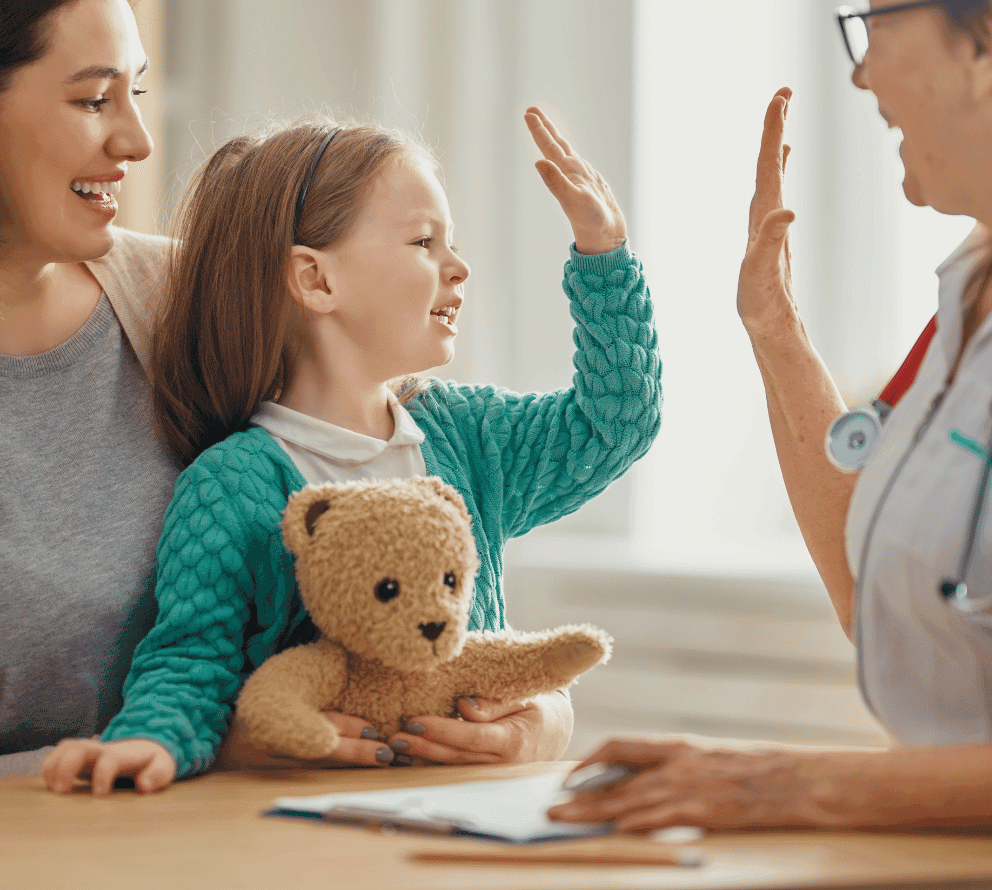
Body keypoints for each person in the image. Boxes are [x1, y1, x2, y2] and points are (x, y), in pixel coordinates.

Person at [552, 0, 992, 835]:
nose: (862, 74)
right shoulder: (977, 304)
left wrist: (793, 787)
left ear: (987, 42)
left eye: (880, 20)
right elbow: (882, 605)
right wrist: (776, 333)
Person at [42, 107, 662, 794]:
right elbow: (193, 659)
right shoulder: (232, 485)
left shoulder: (470, 436)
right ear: (315, 279)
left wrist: (604, 256)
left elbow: (618, 419)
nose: (458, 267)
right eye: (424, 242)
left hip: (464, 822)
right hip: (304, 835)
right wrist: (147, 742)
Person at [0, 0, 177, 777]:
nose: (135, 139)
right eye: (93, 98)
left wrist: (531, 712)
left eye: (134, 92)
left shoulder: (183, 302)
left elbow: (426, 499)